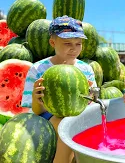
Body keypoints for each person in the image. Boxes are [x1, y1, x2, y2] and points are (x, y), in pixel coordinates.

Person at [21, 15, 97, 163]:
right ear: (52, 42)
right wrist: (37, 100)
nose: (73, 48)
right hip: (47, 119)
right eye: (67, 43)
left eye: (78, 43)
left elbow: (93, 104)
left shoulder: (86, 69)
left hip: (78, 116)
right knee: (63, 122)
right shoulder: (38, 69)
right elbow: (33, 111)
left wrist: (91, 97)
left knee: (81, 123)